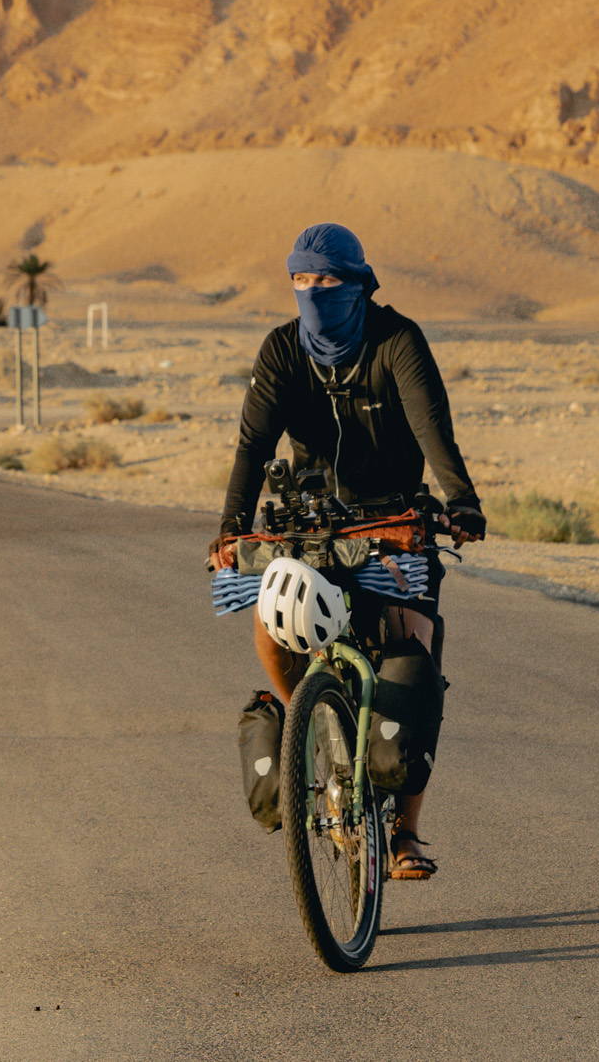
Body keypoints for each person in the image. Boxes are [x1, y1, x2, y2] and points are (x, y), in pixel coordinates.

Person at [207, 222, 485, 879]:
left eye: (326, 278)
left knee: (413, 655)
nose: (313, 290)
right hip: (309, 523)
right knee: (271, 619)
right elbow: (253, 444)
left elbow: (430, 425)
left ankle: (404, 834)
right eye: (300, 279)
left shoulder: (396, 340)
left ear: (358, 282)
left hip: (393, 521)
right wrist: (231, 525)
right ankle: (305, 726)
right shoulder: (282, 349)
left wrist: (462, 499)